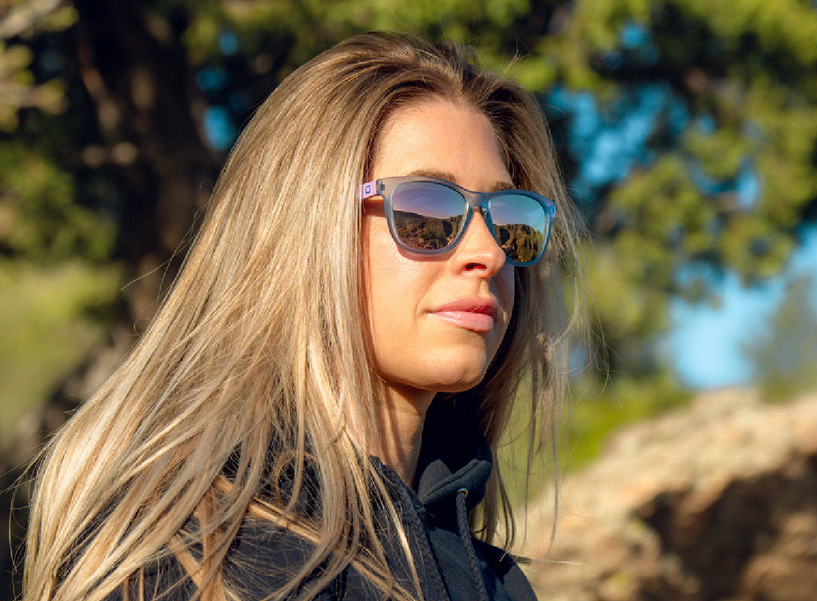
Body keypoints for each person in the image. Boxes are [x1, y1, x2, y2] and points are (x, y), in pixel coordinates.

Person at [24, 31, 584, 601]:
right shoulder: (192, 560)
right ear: (307, 230)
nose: (488, 253)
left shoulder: (496, 583)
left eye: (508, 217)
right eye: (425, 209)